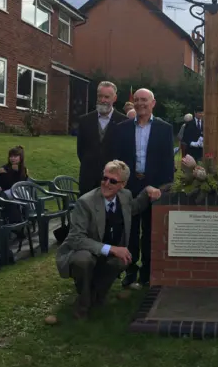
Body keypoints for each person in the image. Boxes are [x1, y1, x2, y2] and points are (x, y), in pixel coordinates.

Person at [55, 160, 161, 319]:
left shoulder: (125, 197)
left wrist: (148, 190)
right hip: (81, 251)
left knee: (124, 259)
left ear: (122, 184)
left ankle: (95, 295)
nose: (106, 183)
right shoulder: (85, 202)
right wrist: (111, 249)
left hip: (103, 254)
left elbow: (136, 207)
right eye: (104, 178)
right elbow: (76, 238)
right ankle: (82, 306)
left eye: (112, 181)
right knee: (84, 260)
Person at [113, 88, 175, 289]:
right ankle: (130, 271)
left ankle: (147, 272)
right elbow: (117, 160)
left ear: (153, 103)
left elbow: (167, 162)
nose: (140, 103)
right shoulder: (122, 128)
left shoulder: (164, 129)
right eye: (137, 100)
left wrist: (162, 188)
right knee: (129, 230)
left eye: (144, 100)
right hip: (129, 185)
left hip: (153, 186)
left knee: (150, 231)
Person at [76, 81, 127, 195]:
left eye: (107, 97)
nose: (103, 100)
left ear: (115, 98)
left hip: (113, 182)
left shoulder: (124, 122)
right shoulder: (84, 121)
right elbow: (81, 151)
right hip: (88, 181)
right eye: (100, 96)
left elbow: (125, 152)